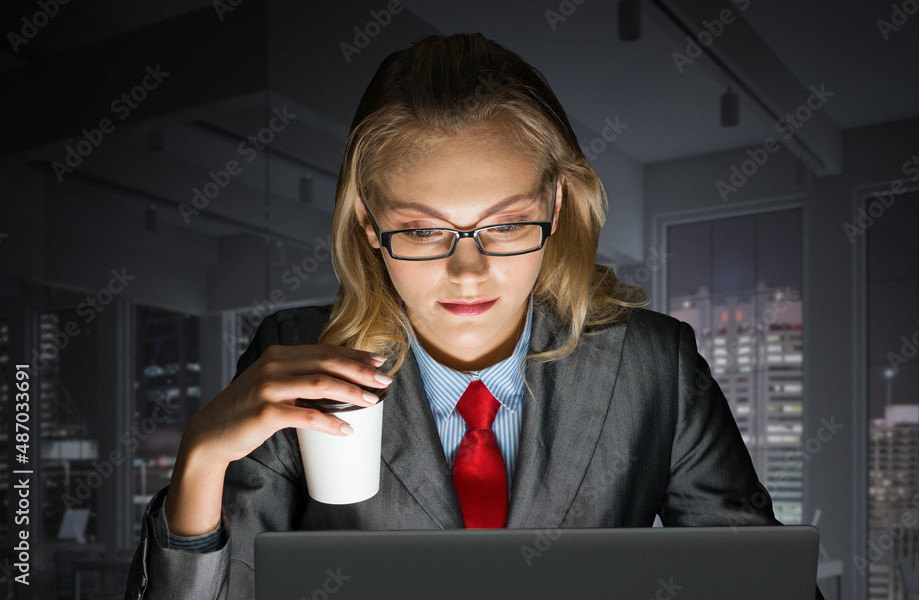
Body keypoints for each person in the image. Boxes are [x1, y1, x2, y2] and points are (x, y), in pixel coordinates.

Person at [123, 33, 818, 599]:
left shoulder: (652, 365)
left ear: (555, 205)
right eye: (424, 232)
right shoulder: (297, 353)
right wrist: (201, 459)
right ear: (368, 222)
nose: (468, 272)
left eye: (507, 225)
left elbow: (759, 585)